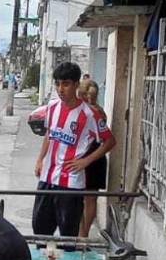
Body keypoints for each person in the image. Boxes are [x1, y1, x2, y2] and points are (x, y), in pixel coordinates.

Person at [32, 62, 114, 241]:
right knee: (39, 231)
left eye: (66, 84)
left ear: (76, 84)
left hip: (71, 183)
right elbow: (49, 134)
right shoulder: (52, 107)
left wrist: (86, 161)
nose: (61, 89)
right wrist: (40, 159)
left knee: (68, 236)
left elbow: (109, 141)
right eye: (58, 84)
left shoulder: (90, 114)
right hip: (47, 178)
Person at [77, 79, 114, 237]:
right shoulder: (100, 112)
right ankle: (84, 235)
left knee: (77, 200)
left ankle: (80, 235)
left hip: (83, 158)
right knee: (91, 199)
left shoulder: (84, 113)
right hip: (98, 159)